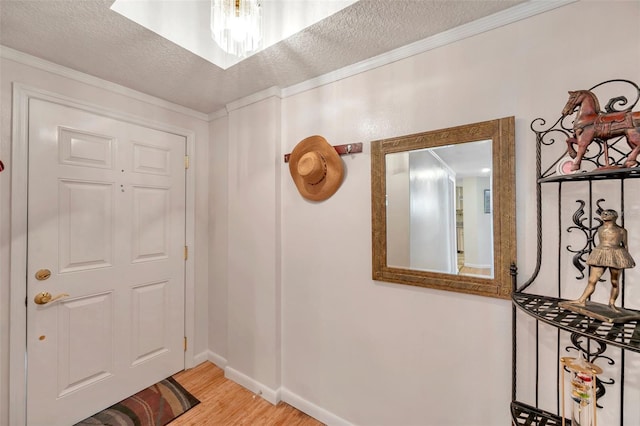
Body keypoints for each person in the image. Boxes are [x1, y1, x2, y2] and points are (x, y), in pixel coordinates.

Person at [571, 209, 635, 310]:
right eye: (604, 214)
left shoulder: (622, 231)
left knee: (614, 281)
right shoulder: (600, 229)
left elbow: (625, 245)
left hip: (616, 254)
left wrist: (625, 259)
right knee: (592, 280)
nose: (605, 216)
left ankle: (612, 303)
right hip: (600, 253)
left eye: (607, 215)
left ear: (614, 217)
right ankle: (581, 300)